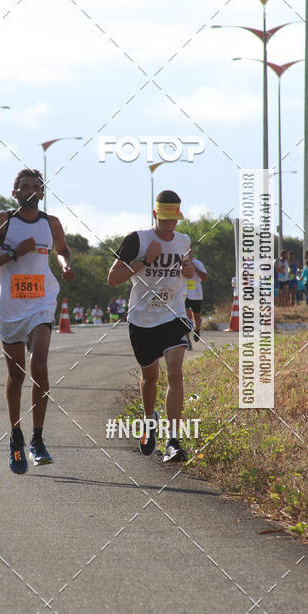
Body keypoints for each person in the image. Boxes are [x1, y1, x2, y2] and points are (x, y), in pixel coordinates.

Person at [0, 168, 75, 474]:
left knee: (40, 366)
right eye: (24, 187)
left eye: (36, 187)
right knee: (16, 375)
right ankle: (16, 436)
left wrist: (65, 264)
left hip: (42, 303)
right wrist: (13, 255)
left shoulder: (52, 223)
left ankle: (38, 439)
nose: (31, 191)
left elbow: (63, 250)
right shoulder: (3, 221)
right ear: (15, 192)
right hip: (10, 308)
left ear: (42, 193)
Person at [107, 190, 195, 463]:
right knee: (150, 378)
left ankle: (173, 441)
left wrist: (188, 273)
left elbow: (186, 276)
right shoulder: (138, 240)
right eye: (164, 219)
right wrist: (144, 260)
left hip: (173, 314)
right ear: (155, 214)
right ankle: (149, 420)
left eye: (174, 220)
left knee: (176, 372)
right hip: (142, 319)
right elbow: (112, 278)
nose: (169, 225)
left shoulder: (184, 241)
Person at [185, 256, 208, 341]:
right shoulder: (180, 262)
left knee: (196, 315)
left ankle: (197, 329)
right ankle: (186, 338)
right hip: (184, 294)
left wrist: (196, 269)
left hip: (196, 294)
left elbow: (205, 277)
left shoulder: (198, 263)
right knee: (185, 315)